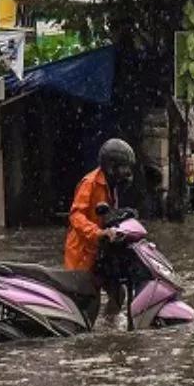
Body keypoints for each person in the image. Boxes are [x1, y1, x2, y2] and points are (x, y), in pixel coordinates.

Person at [64, 138, 136, 327]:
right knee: (90, 300)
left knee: (118, 293)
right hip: (82, 253)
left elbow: (108, 215)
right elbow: (76, 216)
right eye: (123, 168)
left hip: (100, 252)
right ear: (111, 167)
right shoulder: (90, 183)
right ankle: (85, 334)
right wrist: (97, 233)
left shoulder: (113, 187)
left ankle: (108, 327)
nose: (127, 173)